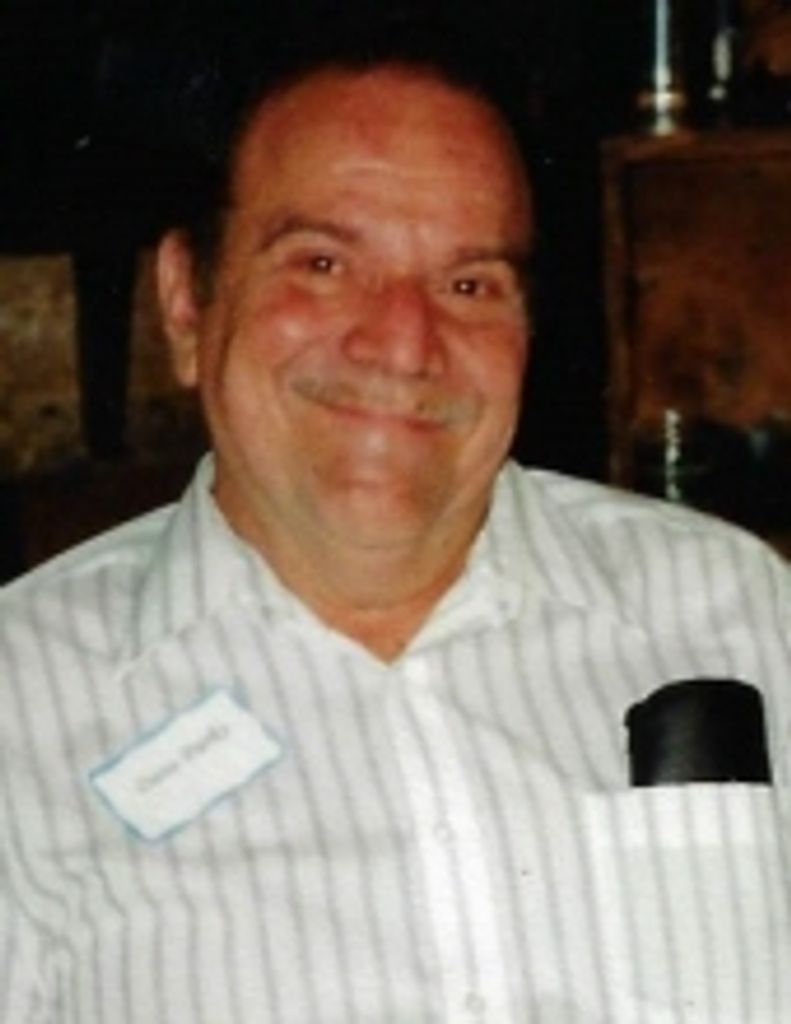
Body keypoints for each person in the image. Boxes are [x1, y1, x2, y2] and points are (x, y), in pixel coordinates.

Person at [2, 12, 791, 1022]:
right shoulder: (20, 703)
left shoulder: (740, 613)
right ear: (186, 301)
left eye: (467, 283)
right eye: (323, 264)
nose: (404, 343)